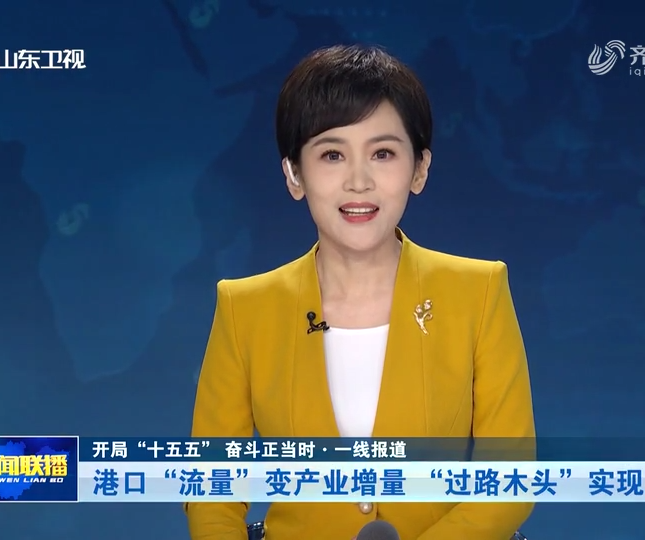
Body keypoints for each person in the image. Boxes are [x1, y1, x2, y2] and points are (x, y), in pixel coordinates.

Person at [186, 44, 535, 540]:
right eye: (332, 154)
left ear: (419, 169)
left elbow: (509, 483)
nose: (358, 181)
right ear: (294, 174)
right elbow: (211, 490)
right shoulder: (245, 308)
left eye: (382, 153)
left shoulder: (479, 292)